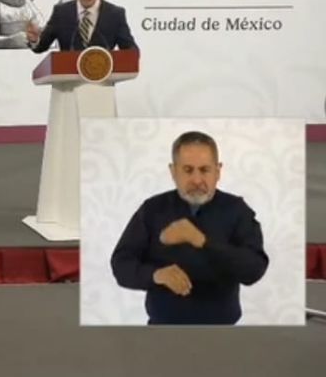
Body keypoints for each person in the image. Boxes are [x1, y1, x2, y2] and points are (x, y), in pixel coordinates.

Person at [109, 131, 269, 325]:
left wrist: (202, 241)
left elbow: (254, 270)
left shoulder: (237, 210)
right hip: (162, 331)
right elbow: (121, 264)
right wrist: (156, 275)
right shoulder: (152, 209)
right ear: (173, 171)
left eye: (204, 170)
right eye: (187, 170)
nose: (196, 180)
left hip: (222, 333)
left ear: (218, 171)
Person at [27, 0, 137, 52]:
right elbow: (41, 46)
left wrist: (133, 54)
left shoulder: (115, 14)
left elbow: (129, 49)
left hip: (102, 80)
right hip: (67, 79)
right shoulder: (61, 13)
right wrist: (35, 39)